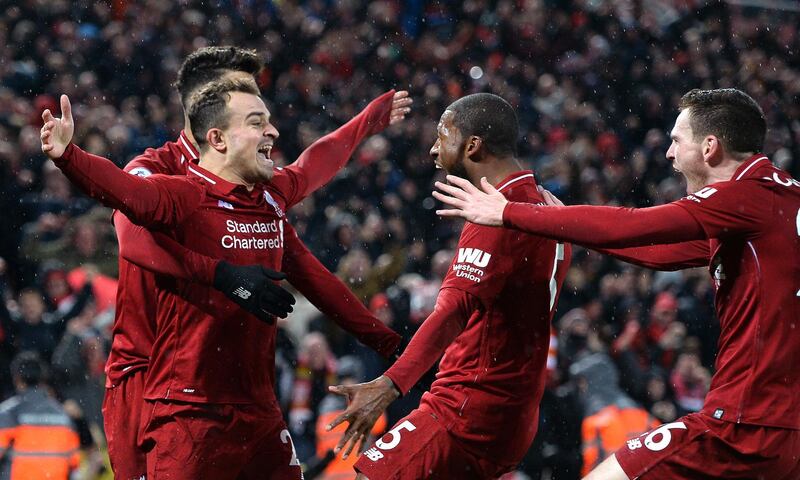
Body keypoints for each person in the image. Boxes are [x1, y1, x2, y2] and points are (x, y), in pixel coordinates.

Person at [39, 78, 401, 478]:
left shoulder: (271, 197)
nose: (273, 132)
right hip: (191, 412)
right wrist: (68, 156)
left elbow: (318, 164)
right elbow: (127, 193)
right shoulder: (185, 195)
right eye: (256, 122)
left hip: (260, 410)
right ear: (218, 138)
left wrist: (390, 344)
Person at [433, 88, 800, 479]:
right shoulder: (778, 199)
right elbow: (661, 252)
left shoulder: (746, 195)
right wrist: (569, 228)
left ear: (709, 147)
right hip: (786, 428)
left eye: (676, 141)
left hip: (746, 422)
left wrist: (508, 212)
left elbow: (637, 225)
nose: (669, 154)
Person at [325, 93, 572, 479]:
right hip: (514, 410)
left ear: (473, 145)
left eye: (443, 135)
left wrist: (390, 385)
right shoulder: (547, 209)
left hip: (468, 406)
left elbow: (452, 312)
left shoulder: (497, 213)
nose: (433, 148)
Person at [0, 351, 81, 480]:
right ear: (43, 379)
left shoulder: (8, 414)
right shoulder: (64, 417)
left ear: (17, 379)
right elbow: (74, 467)